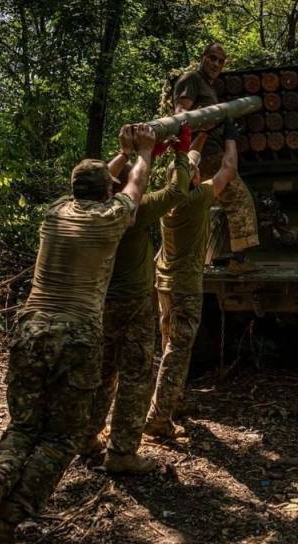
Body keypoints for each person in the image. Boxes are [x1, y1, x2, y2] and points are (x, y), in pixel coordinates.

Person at [0, 124, 157, 544]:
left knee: (23, 427)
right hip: (75, 336)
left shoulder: (55, 212)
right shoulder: (111, 217)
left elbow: (95, 182)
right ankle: (3, 526)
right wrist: (145, 153)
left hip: (29, 330)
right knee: (61, 439)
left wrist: (118, 153)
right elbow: (135, 183)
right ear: (106, 191)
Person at [79, 123, 196, 474]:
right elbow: (177, 190)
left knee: (103, 371)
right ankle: (122, 452)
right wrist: (180, 152)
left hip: (100, 302)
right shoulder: (134, 210)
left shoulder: (85, 209)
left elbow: (103, 179)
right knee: (136, 374)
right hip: (133, 303)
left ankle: (86, 436)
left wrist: (129, 154)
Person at [144, 119, 240, 438]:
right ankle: (158, 418)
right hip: (185, 286)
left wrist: (197, 136)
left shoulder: (169, 200)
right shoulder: (198, 200)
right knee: (178, 351)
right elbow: (228, 168)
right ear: (195, 178)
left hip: (164, 285)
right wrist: (230, 137)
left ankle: (173, 401)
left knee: (168, 344)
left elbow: (186, 169)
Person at [172, 42, 260, 273]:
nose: (216, 64)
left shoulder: (208, 86)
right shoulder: (191, 79)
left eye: (220, 61)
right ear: (203, 57)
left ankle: (192, 258)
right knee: (240, 200)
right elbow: (180, 115)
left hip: (209, 153)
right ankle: (239, 262)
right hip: (204, 154)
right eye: (212, 58)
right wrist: (204, 127)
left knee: (203, 207)